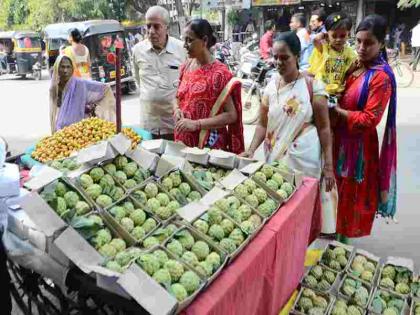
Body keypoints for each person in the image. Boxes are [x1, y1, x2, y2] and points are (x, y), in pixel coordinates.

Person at [331, 15, 397, 243]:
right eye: (358, 41)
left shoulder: (381, 77)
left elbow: (370, 119)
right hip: (339, 141)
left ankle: (341, 251)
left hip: (357, 151)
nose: (361, 47)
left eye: (368, 43)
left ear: (382, 44)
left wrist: (338, 111)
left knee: (349, 200)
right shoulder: (357, 66)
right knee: (335, 196)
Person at [241, 32, 334, 193]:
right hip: (274, 161)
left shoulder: (313, 87)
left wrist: (328, 165)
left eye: (285, 58)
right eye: (275, 57)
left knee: (301, 206)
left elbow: (324, 128)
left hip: (304, 162)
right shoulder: (270, 86)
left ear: (297, 56)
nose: (279, 62)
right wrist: (250, 150)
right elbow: (262, 124)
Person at [174, 19, 244, 154]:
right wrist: (176, 109)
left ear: (204, 40)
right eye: (184, 40)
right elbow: (177, 96)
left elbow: (231, 115)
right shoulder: (186, 67)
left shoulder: (220, 74)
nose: (184, 45)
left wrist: (196, 124)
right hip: (183, 142)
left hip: (208, 145)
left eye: (189, 40)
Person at [132, 6, 186, 140]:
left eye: (156, 26)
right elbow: (138, 79)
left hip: (175, 123)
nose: (151, 31)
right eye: (148, 26)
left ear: (166, 27)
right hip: (149, 123)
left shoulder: (181, 49)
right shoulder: (137, 50)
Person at [49, 55, 116, 133]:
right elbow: (55, 110)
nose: (65, 70)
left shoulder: (80, 84)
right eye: (62, 67)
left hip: (79, 130)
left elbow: (105, 88)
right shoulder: (54, 88)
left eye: (68, 67)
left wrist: (93, 109)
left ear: (72, 69)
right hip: (62, 131)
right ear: (57, 69)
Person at [308, 12, 357, 96]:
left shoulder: (349, 52)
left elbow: (349, 71)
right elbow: (315, 40)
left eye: (342, 36)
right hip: (321, 89)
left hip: (337, 90)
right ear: (328, 34)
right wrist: (323, 34)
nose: (338, 39)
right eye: (334, 36)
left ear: (348, 34)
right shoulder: (325, 48)